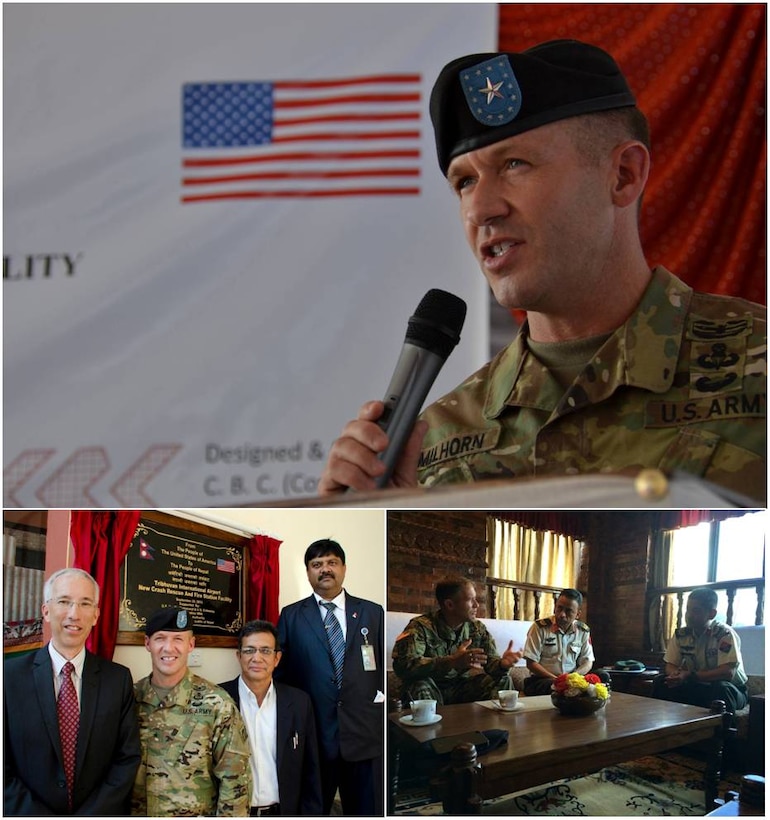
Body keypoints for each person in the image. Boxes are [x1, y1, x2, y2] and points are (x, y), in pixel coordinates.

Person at [318, 39, 766, 505]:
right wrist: (379, 511)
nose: (481, 209)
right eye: (464, 181)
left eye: (515, 164)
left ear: (623, 175)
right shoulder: (433, 442)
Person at [4, 567, 141, 815]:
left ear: (96, 615)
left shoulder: (118, 680)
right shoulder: (9, 677)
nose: (74, 614)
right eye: (64, 601)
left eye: (85, 604)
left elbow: (126, 758)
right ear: (46, 610)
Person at [275, 539, 384, 816]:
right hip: (314, 734)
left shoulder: (372, 612)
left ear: (344, 568)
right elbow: (281, 673)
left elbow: (380, 667)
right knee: (314, 809)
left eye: (331, 562)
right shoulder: (291, 616)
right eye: (317, 564)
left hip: (363, 733)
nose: (325, 569)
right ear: (308, 572)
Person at [131, 607, 252, 816]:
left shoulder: (216, 704)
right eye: (160, 638)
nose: (169, 648)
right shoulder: (129, 699)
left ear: (191, 645)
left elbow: (235, 784)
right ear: (147, 643)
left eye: (178, 639)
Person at [219, 619, 323, 816]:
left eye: (265, 651)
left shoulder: (299, 702)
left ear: (277, 658)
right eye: (249, 650)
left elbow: (311, 770)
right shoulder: (217, 698)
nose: (257, 658)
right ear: (238, 656)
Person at [392, 577, 523, 704]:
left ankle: (500, 726)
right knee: (418, 686)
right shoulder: (420, 626)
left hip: (461, 688)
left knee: (502, 679)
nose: (476, 605)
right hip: (431, 687)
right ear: (450, 604)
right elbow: (404, 666)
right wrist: (452, 662)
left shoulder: (477, 628)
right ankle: (433, 725)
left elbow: (491, 664)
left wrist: (502, 665)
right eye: (470, 600)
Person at [652, 587, 748, 713]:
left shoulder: (724, 634)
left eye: (696, 611)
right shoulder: (681, 635)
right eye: (688, 609)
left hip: (732, 689)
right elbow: (670, 665)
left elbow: (727, 673)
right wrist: (676, 675)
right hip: (698, 684)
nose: (689, 615)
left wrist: (689, 675)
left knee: (721, 689)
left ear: (711, 614)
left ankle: (723, 732)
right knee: (661, 681)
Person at [522, 588, 602, 695]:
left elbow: (588, 662)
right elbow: (531, 663)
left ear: (577, 614)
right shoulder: (539, 628)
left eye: (568, 611)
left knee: (602, 676)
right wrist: (558, 680)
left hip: (572, 678)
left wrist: (572, 678)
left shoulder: (583, 631)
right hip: (544, 679)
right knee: (553, 687)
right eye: (559, 608)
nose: (562, 614)